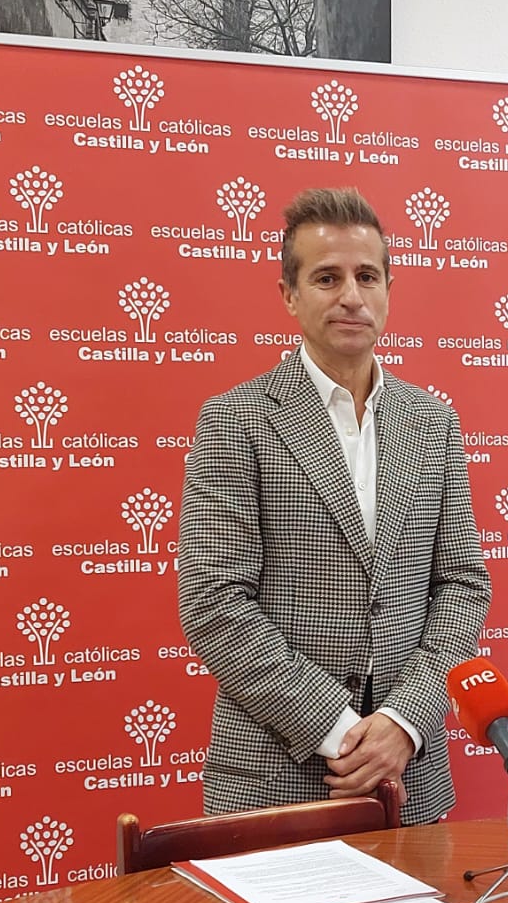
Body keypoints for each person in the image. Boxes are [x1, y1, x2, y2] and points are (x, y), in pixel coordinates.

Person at [178, 187, 491, 826]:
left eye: (367, 276)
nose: (351, 294)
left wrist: (403, 724)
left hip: (413, 781)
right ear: (289, 296)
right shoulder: (236, 418)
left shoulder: (432, 421)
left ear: (388, 291)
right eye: (327, 277)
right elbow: (211, 603)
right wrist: (345, 735)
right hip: (276, 782)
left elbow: (463, 588)